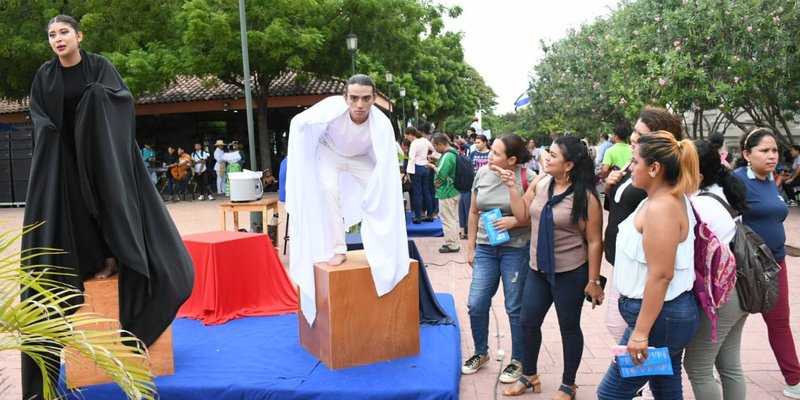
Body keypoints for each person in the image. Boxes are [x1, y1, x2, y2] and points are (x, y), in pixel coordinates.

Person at [21, 15, 193, 399]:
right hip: (63, 161)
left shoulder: (99, 66)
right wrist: (51, 132)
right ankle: (90, 262)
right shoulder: (44, 77)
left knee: (110, 207)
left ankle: (118, 262)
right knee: (75, 214)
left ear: (78, 36)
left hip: (103, 157)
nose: (57, 39)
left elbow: (122, 100)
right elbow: (38, 114)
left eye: (64, 32)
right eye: (51, 35)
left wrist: (96, 100)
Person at [285, 74, 409, 325]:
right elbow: (301, 121)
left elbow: (386, 161)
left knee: (383, 193)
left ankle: (385, 247)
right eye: (354, 98)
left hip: (360, 158)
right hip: (328, 152)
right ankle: (338, 249)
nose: (360, 104)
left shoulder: (382, 123)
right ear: (345, 98)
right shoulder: (332, 108)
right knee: (329, 191)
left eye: (365, 98)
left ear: (374, 99)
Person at [597, 131, 701, 400]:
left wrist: (641, 333)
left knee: (610, 394)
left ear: (654, 168)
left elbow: (661, 275)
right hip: (661, 317)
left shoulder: (662, 207)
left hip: (659, 320)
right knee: (666, 389)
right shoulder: (656, 200)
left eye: (634, 161)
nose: (629, 167)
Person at [500, 135, 603, 399]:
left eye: (553, 155)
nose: (547, 157)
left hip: (571, 271)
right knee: (527, 321)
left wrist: (593, 281)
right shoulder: (542, 182)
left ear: (568, 165)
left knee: (568, 327)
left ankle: (568, 385)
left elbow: (594, 241)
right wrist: (512, 187)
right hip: (538, 269)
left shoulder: (586, 197)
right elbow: (522, 216)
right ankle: (529, 376)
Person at [603, 106, 684, 343]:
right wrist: (610, 188)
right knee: (618, 325)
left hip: (640, 269)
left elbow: (661, 272)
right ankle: (650, 374)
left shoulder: (658, 178)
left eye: (641, 134)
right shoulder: (634, 166)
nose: (634, 138)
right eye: (635, 132)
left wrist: (640, 334)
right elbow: (621, 208)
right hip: (623, 263)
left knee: (625, 331)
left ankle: (637, 372)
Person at [461, 133, 535, 384]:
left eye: (496, 153)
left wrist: (514, 220)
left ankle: (518, 359)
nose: (489, 156)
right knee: (476, 303)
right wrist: (470, 248)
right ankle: (481, 353)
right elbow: (473, 212)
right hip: (485, 247)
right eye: (490, 151)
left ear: (512, 159)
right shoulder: (482, 174)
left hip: (516, 248)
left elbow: (531, 215)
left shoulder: (528, 178)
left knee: (514, 306)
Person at [732, 128, 800, 399]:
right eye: (764, 151)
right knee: (731, 322)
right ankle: (708, 365)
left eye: (774, 151)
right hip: (744, 267)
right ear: (747, 154)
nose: (772, 156)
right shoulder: (735, 181)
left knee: (780, 321)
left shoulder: (771, 180)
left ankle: (794, 380)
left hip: (775, 264)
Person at [683, 140, 750, 400]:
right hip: (739, 290)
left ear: (696, 173)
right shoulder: (720, 192)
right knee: (729, 364)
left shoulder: (701, 206)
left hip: (721, 295)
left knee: (697, 367)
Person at [427, 133, 460, 253]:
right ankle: (454, 241)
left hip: (447, 192)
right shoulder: (453, 152)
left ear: (440, 144)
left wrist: (431, 166)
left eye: (435, 146)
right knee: (452, 218)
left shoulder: (447, 156)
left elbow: (442, 174)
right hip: (453, 190)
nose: (435, 149)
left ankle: (452, 244)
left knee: (447, 219)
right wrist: (436, 162)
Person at [458, 134, 490, 239]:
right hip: (474, 184)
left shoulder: (490, 154)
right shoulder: (472, 154)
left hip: (487, 184)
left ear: (485, 142)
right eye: (475, 142)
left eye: (478, 142)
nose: (476, 145)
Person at [405, 126, 435, 223]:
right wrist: (430, 157)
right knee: (426, 191)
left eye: (406, 136)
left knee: (417, 193)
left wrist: (408, 172)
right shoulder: (425, 141)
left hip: (416, 168)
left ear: (410, 134)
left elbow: (411, 158)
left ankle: (418, 216)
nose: (407, 138)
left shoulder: (414, 143)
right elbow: (434, 149)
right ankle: (430, 215)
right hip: (426, 167)